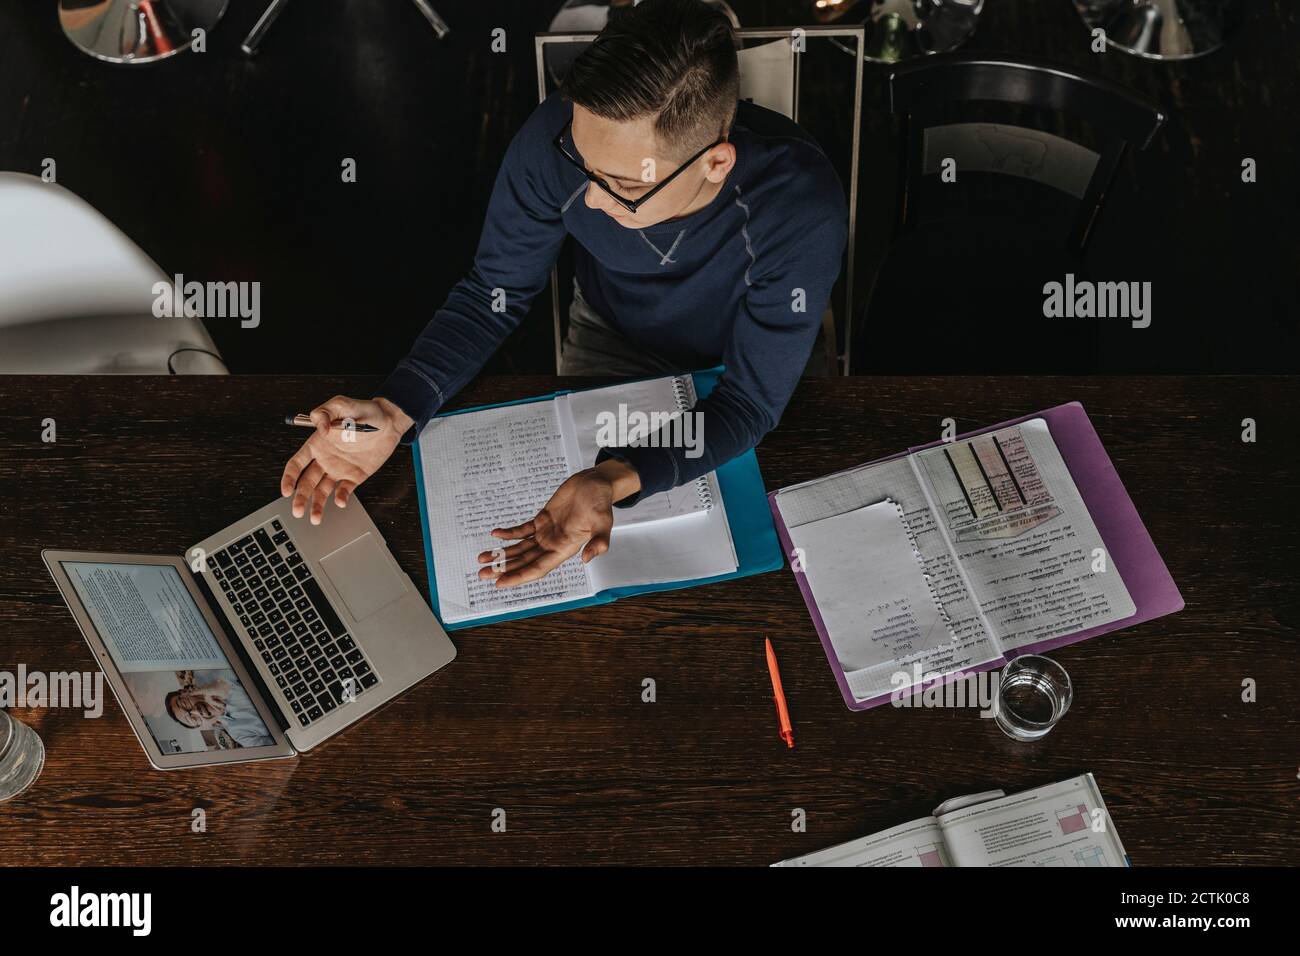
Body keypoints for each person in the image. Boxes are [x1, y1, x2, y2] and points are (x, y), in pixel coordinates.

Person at [280, 0, 846, 588]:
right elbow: (493, 291)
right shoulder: (552, 142)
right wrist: (397, 408)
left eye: (623, 185)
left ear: (715, 162)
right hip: (614, 335)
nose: (592, 201)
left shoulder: (800, 205)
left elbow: (750, 404)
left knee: (773, 567)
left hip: (756, 360)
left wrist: (618, 476)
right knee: (591, 568)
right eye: (584, 165)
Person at [164, 673, 274, 749]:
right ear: (203, 725)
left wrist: (228, 687)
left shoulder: (207, 670)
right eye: (192, 719)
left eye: (184, 704)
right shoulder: (240, 734)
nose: (196, 711)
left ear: (185, 691)